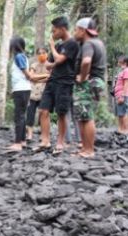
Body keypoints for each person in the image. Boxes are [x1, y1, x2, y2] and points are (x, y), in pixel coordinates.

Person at [35, 17, 80, 154]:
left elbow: (60, 59)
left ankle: (60, 143)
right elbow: (48, 65)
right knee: (43, 110)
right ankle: (45, 141)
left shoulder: (72, 43)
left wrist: (53, 48)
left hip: (65, 81)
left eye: (54, 30)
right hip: (52, 80)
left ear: (62, 29)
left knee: (61, 113)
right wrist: (55, 61)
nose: (52, 33)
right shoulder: (60, 46)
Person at [72, 17, 107, 158]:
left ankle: (89, 150)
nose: (74, 32)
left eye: (76, 29)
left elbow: (86, 61)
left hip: (89, 81)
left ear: (82, 30)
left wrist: (82, 77)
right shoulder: (98, 42)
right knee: (84, 116)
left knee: (86, 117)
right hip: (97, 81)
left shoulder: (88, 44)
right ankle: (85, 148)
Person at [6, 37, 32, 151]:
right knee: (22, 115)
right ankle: (22, 140)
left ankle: (17, 143)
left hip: (21, 89)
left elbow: (26, 74)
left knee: (19, 116)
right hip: (23, 88)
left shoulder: (18, 57)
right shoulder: (23, 57)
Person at [25, 48, 50, 141]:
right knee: (30, 113)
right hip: (32, 93)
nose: (41, 55)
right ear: (36, 55)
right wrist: (44, 76)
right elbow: (31, 76)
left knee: (43, 113)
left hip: (44, 93)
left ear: (47, 54)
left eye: (43, 53)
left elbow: (50, 77)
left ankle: (42, 134)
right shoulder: (34, 65)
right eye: (39, 53)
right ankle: (30, 135)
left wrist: (37, 78)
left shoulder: (49, 65)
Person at [113, 55, 128, 134]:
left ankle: (125, 130)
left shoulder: (126, 71)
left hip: (123, 95)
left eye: (120, 60)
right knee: (120, 113)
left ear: (125, 62)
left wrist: (123, 96)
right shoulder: (122, 71)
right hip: (119, 95)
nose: (118, 62)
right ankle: (121, 130)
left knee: (124, 113)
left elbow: (126, 84)